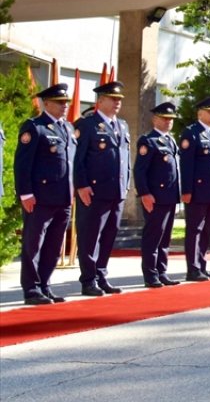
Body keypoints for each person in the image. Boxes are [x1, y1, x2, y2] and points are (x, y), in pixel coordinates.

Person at [15, 82, 76, 305]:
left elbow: (70, 163)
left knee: (54, 244)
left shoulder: (67, 129)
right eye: (60, 103)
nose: (64, 106)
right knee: (34, 244)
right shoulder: (35, 127)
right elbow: (23, 165)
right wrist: (26, 194)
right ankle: (31, 289)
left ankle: (44, 284)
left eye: (66, 103)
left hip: (63, 197)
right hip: (40, 198)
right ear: (46, 103)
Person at [72, 79, 131, 296]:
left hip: (116, 192)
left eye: (119, 100)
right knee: (90, 236)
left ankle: (101, 275)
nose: (117, 103)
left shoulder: (122, 125)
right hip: (94, 192)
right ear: (100, 100)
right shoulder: (86, 125)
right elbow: (77, 159)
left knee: (108, 236)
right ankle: (88, 280)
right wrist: (82, 185)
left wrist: (126, 185)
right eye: (113, 99)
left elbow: (126, 159)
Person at [134, 101, 182, 287]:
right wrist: (145, 193)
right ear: (155, 119)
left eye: (171, 119)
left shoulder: (170, 140)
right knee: (153, 237)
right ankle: (150, 274)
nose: (169, 121)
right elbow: (140, 171)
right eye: (164, 118)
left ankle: (162, 271)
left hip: (170, 197)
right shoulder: (148, 141)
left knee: (165, 238)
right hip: (155, 197)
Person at [180, 95, 210, 282]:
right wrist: (187, 190)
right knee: (195, 229)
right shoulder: (192, 133)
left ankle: (202, 265)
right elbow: (187, 164)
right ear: (200, 113)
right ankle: (193, 268)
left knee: (206, 230)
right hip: (198, 191)